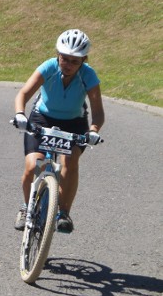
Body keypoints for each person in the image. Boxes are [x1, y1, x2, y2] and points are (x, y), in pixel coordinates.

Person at [12, 29, 104, 234]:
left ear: (83, 60)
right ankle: (27, 208)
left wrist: (94, 130)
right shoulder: (48, 67)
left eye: (75, 61)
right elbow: (24, 93)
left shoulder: (88, 75)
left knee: (70, 162)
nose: (68, 65)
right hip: (42, 118)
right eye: (65, 59)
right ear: (58, 55)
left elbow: (98, 112)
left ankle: (63, 213)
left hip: (74, 122)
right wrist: (20, 114)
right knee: (31, 165)